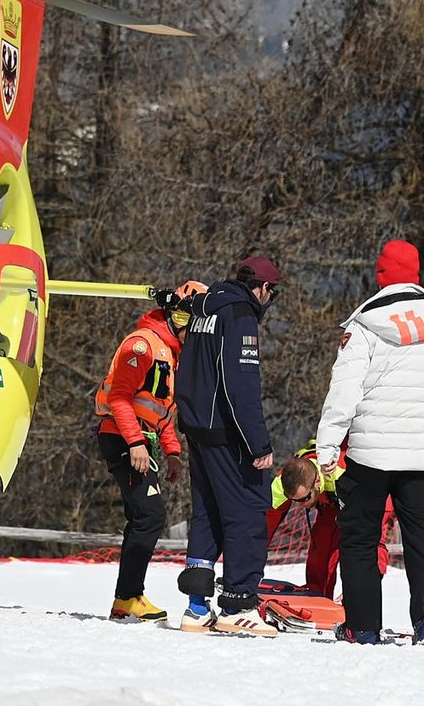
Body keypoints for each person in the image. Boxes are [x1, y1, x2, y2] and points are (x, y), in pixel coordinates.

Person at [316, 239, 424, 645]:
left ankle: (363, 627)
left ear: (380, 275)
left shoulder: (363, 327)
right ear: (417, 274)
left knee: (360, 540)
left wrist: (328, 445)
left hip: (370, 456)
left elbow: (344, 391)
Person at [175, 256, 282, 636]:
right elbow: (241, 385)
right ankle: (238, 604)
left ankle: (196, 606)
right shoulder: (240, 314)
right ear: (263, 287)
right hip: (227, 432)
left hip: (197, 428)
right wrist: (258, 444)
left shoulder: (205, 309)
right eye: (273, 292)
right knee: (248, 514)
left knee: (207, 514)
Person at [95, 282, 204, 622]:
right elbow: (119, 398)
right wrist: (135, 443)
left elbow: (158, 410)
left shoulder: (170, 354)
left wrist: (172, 451)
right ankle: (128, 597)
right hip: (123, 436)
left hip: (142, 438)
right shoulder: (142, 346)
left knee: (143, 517)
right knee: (150, 516)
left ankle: (126, 599)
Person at [265, 441, 392, 597]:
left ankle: (359, 596)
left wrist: (363, 585)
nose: (299, 506)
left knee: (359, 548)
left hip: (369, 497)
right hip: (330, 501)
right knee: (321, 541)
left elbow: (372, 538)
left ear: (317, 482)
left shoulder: (345, 476)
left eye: (304, 499)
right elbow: (264, 525)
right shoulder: (286, 480)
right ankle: (317, 594)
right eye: (294, 500)